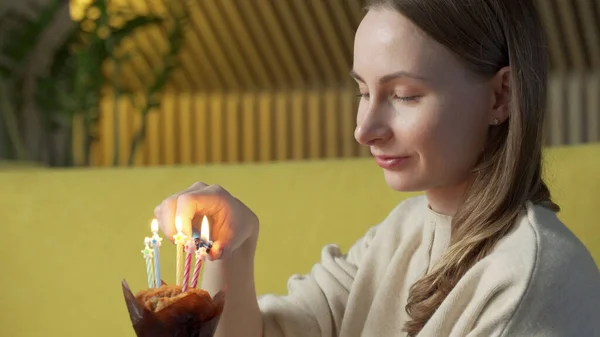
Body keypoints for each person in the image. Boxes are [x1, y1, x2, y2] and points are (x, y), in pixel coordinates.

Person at [153, 0, 600, 336]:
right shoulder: (399, 233)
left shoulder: (529, 283)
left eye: (404, 94)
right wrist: (232, 251)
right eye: (363, 91)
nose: (364, 130)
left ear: (500, 97)